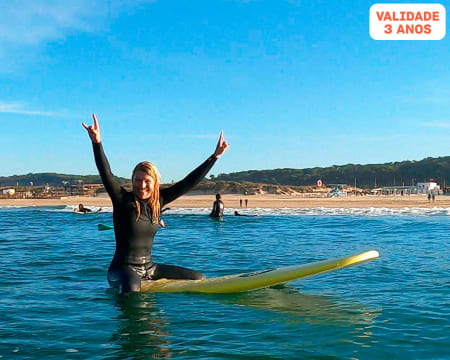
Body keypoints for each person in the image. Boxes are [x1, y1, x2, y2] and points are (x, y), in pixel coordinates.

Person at [82, 114, 228, 293]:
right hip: (122, 270)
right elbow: (106, 172)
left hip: (150, 268)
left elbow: (188, 182)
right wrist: (97, 143)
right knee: (132, 287)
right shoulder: (122, 199)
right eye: (137, 180)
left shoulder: (160, 200)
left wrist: (215, 156)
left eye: (146, 181)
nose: (141, 185)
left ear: (155, 183)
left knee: (198, 278)